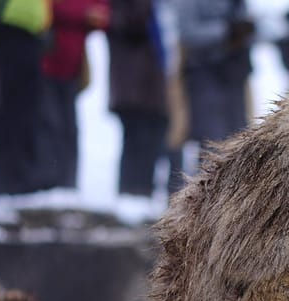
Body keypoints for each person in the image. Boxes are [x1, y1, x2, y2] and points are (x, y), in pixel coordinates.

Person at [0, 0, 52, 196]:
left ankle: (20, 179)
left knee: (26, 111)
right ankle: (5, 182)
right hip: (4, 28)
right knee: (8, 110)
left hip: (32, 33)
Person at [38, 0, 110, 190]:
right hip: (46, 66)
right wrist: (84, 14)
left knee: (68, 129)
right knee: (49, 126)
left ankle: (66, 184)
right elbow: (49, 8)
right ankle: (48, 182)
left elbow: (103, 14)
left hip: (71, 69)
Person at [175, 0, 255, 161]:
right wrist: (226, 31)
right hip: (204, 72)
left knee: (240, 136)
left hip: (235, 71)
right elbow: (187, 32)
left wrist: (246, 29)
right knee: (212, 140)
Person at [108, 0, 167, 200]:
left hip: (153, 89)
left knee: (152, 145)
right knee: (136, 144)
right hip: (132, 87)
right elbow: (129, 23)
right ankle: (130, 197)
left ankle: (143, 196)